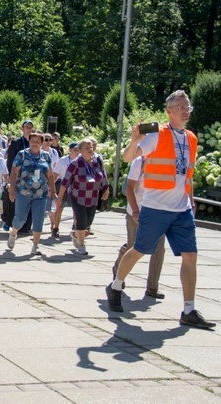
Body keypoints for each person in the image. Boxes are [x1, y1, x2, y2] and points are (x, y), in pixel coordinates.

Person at [108, 90, 215, 329]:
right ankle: (115, 286)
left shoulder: (191, 138)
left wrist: (191, 199)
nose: (185, 111)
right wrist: (134, 139)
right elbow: (127, 158)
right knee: (139, 250)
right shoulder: (156, 134)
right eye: (180, 107)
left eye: (188, 107)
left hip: (182, 209)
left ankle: (188, 309)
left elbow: (186, 173)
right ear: (169, 111)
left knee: (190, 256)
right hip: (155, 207)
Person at [112, 155, 166, 299]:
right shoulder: (140, 161)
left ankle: (152, 287)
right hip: (137, 210)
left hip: (158, 212)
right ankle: (118, 271)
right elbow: (129, 188)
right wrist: (135, 210)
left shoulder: (167, 160)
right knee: (133, 246)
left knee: (159, 249)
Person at [56, 140, 109, 256]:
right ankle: (81, 245)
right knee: (81, 221)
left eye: (91, 147)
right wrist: (59, 198)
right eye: (87, 148)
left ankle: (75, 235)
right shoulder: (75, 164)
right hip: (77, 196)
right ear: (80, 151)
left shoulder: (97, 161)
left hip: (93, 196)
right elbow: (65, 182)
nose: (90, 149)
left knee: (88, 224)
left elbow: (103, 176)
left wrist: (106, 189)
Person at [7, 132, 55, 256]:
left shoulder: (46, 156)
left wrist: (53, 190)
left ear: (41, 143)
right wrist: (11, 189)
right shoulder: (22, 154)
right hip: (23, 191)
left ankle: (35, 246)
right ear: (29, 142)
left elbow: (50, 174)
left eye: (38, 142)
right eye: (33, 141)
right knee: (20, 219)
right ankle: (13, 232)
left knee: (38, 220)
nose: (35, 144)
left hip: (40, 193)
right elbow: (14, 172)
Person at [4, 120, 34, 234]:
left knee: (31, 201)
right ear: (22, 129)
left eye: (31, 127)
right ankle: (17, 225)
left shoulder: (34, 142)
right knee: (19, 202)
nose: (29, 129)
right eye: (27, 127)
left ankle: (27, 226)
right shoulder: (16, 143)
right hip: (19, 177)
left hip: (32, 178)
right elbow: (11, 161)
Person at [50, 142, 80, 238]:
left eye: (78, 150)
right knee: (59, 207)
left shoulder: (81, 160)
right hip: (64, 185)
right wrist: (51, 187)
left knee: (77, 208)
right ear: (70, 150)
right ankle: (56, 228)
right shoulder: (62, 161)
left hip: (77, 186)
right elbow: (55, 174)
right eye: (75, 150)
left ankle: (76, 227)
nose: (76, 152)